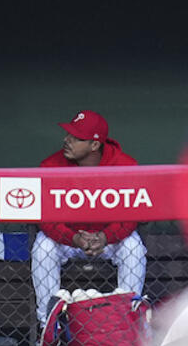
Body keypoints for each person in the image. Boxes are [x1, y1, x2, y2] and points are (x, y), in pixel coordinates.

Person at [31, 110, 146, 328]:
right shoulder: (51, 166)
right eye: (68, 135)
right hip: (69, 240)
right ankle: (48, 323)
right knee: (43, 247)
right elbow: (45, 219)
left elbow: (132, 216)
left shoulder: (125, 165)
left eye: (76, 138)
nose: (67, 140)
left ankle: (128, 317)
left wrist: (105, 236)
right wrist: (73, 238)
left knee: (133, 246)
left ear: (94, 145)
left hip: (109, 240)